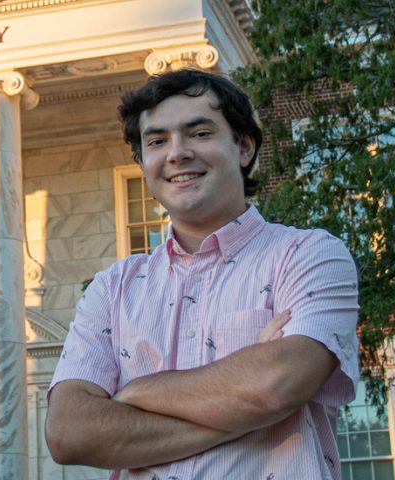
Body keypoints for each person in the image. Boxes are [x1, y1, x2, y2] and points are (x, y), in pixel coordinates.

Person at [45, 69, 359, 480]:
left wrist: (134, 394)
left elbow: (276, 384)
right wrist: (242, 398)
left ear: (244, 147)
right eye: (156, 141)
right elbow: (68, 433)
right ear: (143, 163)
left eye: (199, 133)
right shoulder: (113, 288)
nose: (176, 153)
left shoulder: (308, 256)